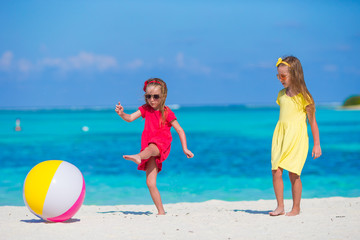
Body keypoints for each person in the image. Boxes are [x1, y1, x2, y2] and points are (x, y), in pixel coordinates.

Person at [115, 78, 194, 215]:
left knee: (152, 147)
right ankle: (161, 211)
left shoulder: (167, 112)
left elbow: (180, 130)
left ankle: (138, 157)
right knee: (150, 183)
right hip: (148, 145)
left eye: (155, 97)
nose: (151, 100)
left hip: (161, 143)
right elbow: (130, 118)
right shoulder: (145, 109)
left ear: (163, 96)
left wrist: (185, 148)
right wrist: (122, 113)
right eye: (148, 96)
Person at [270, 56, 322, 216]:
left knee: (294, 173)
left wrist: (317, 144)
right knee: (276, 171)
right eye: (278, 76)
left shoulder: (304, 97)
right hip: (280, 136)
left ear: (294, 74)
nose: (280, 79)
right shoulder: (281, 95)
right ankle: (280, 206)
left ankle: (296, 208)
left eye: (283, 76)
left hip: (297, 138)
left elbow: (312, 122)